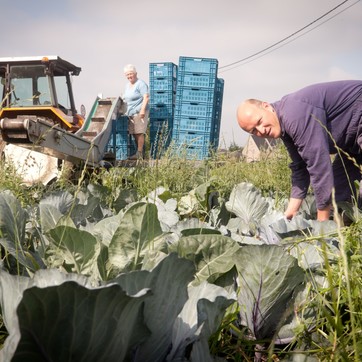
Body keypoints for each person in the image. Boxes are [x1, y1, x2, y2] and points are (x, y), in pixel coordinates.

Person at [236, 80, 362, 222]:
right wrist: (290, 213)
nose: (261, 130)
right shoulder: (284, 129)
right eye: (254, 131)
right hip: (351, 143)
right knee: (339, 197)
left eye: (259, 122)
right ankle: (346, 237)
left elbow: (319, 165)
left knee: (328, 204)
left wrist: (322, 225)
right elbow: (300, 167)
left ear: (266, 106)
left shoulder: (294, 114)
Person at [123, 64, 149, 160]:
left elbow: (146, 97)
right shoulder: (127, 86)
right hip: (130, 113)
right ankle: (140, 152)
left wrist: (142, 110)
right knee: (133, 133)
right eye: (127, 75)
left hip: (139, 112)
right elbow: (125, 98)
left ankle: (139, 153)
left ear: (135, 73)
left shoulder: (140, 84)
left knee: (139, 132)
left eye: (131, 74)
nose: (129, 76)